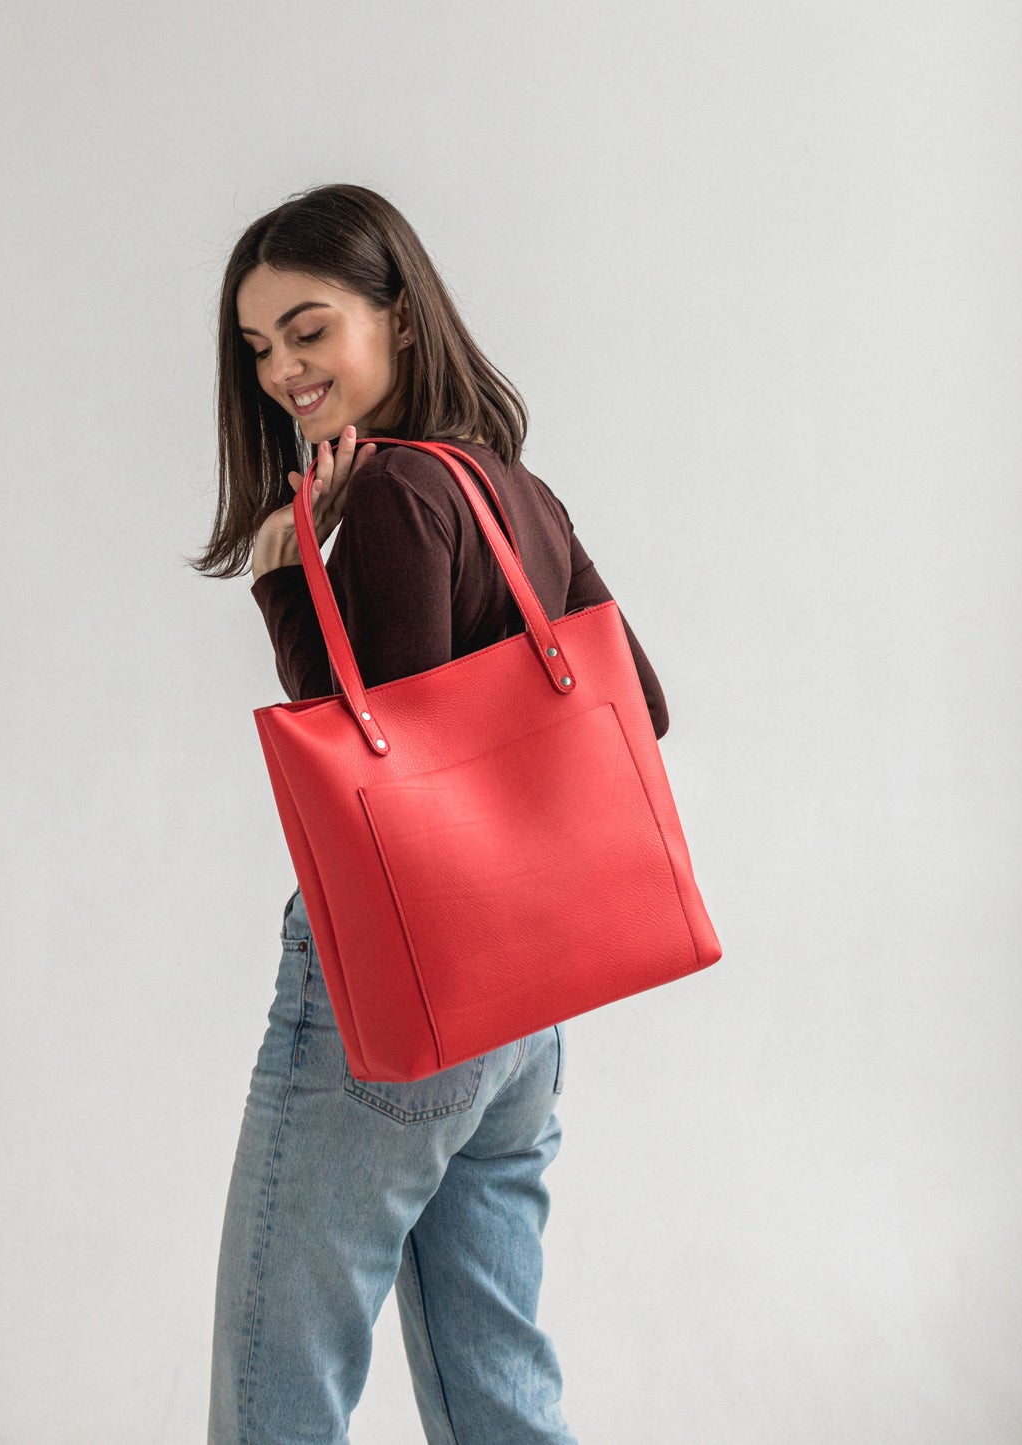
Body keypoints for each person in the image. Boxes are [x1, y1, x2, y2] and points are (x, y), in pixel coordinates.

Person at [189, 183, 669, 1445]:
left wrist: (293, 589)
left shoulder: (397, 498)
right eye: (257, 349)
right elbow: (642, 707)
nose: (282, 369)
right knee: (492, 1375)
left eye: (308, 329)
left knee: (276, 1375)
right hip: (526, 1009)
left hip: (396, 1003)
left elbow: (380, 783)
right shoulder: (513, 486)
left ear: (398, 318)